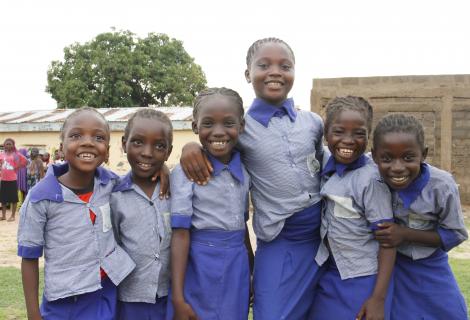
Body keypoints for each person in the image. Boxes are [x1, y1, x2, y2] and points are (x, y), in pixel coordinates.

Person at [179, 38, 324, 319]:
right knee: (270, 312)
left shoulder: (313, 123)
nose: (275, 72)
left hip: (321, 237)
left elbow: (326, 165)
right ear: (248, 74)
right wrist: (190, 147)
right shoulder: (241, 128)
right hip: (279, 237)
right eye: (264, 65)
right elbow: (215, 142)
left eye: (285, 66)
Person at [17, 107, 136, 320]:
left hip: (107, 293)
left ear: (107, 151)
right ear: (61, 148)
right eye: (76, 136)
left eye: (98, 137)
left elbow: (142, 179)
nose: (88, 142)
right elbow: (29, 258)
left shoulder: (111, 184)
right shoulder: (40, 197)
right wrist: (33, 315)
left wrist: (164, 169)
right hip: (65, 302)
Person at [372, 113, 468, 320]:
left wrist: (405, 234)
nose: (397, 168)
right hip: (392, 267)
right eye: (387, 158)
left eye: (408, 158)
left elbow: (455, 234)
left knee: (451, 313)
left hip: (431, 265)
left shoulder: (442, 186)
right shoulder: (371, 181)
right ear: (374, 157)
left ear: (423, 154)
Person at [168, 87, 253, 320]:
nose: (218, 132)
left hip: (236, 267)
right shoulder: (186, 172)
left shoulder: (246, 170)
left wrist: (251, 271)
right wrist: (178, 297)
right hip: (198, 267)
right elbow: (180, 234)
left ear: (241, 126)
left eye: (228, 123)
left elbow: (242, 224)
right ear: (195, 127)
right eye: (208, 124)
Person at [309, 96, 395, 320]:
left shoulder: (370, 180)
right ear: (326, 134)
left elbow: (388, 242)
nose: (348, 140)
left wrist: (377, 299)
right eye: (339, 132)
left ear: (369, 136)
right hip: (331, 273)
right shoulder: (326, 168)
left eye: (359, 134)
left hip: (363, 279)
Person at [110, 109, 173, 320]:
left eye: (159, 146)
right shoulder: (114, 195)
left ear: (168, 152)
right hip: (129, 299)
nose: (147, 152)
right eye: (137, 142)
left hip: (170, 296)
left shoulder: (178, 190)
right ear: (123, 143)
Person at [0, 138, 28, 221]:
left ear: (13, 145)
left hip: (12, 179)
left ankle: (12, 216)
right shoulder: (2, 154)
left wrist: (17, 167)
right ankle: (4, 216)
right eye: (7, 144)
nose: (8, 145)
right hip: (3, 179)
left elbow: (25, 161)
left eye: (10, 144)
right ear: (4, 145)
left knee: (13, 198)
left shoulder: (16, 154)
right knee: (3, 198)